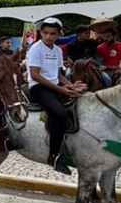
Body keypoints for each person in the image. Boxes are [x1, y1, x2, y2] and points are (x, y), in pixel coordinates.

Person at [26, 18, 87, 174]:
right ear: (40, 33)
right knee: (59, 113)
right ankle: (54, 155)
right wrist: (61, 90)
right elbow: (35, 75)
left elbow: (58, 76)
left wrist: (71, 86)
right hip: (38, 87)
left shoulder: (58, 50)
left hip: (54, 86)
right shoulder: (35, 48)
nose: (48, 36)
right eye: (45, 33)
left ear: (58, 34)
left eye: (53, 33)